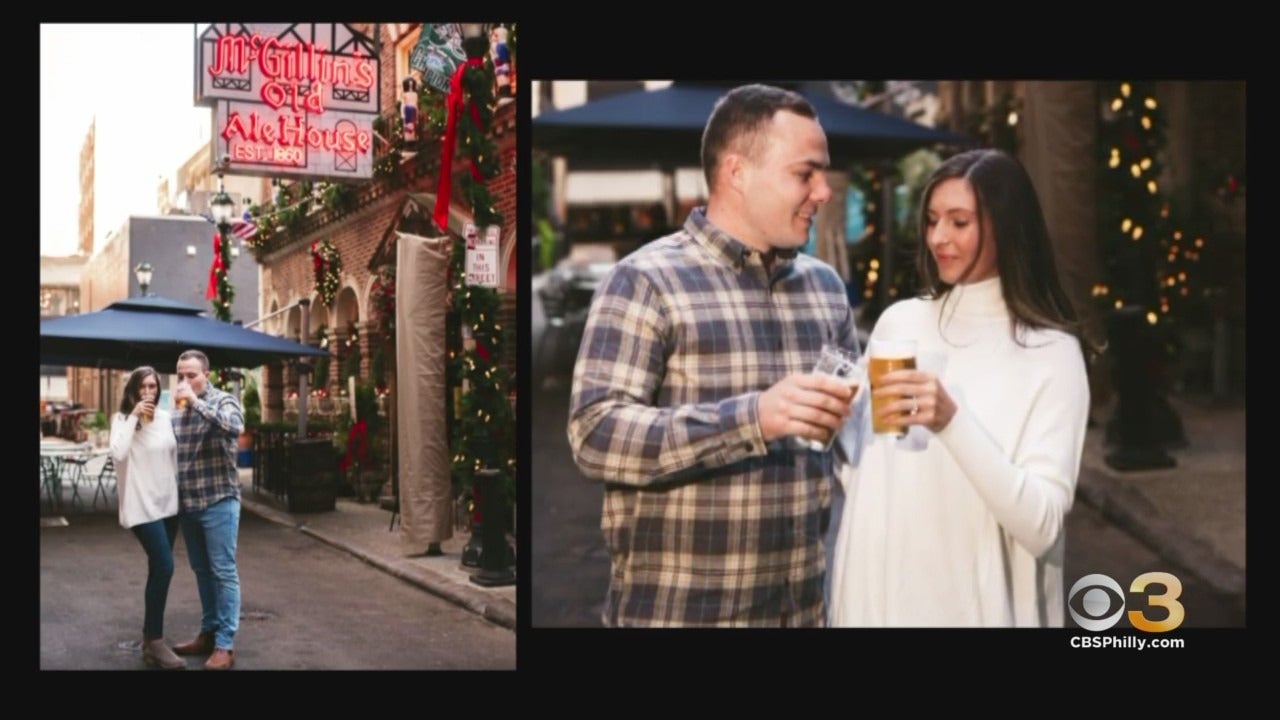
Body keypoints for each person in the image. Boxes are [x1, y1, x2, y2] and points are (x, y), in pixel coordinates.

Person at [567, 84, 859, 627]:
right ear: (737, 173)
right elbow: (594, 435)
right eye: (805, 173)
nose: (823, 191)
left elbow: (848, 442)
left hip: (805, 613)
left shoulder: (826, 288)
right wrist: (752, 418)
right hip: (681, 616)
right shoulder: (644, 280)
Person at [829, 148, 1090, 627]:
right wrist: (833, 422)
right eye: (932, 220)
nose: (938, 238)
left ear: (1007, 228)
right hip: (875, 603)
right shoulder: (900, 322)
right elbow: (866, 472)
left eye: (959, 221)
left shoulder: (1050, 354)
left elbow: (1043, 526)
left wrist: (951, 421)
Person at [169, 349, 244, 669]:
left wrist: (197, 403)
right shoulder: (177, 410)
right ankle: (209, 632)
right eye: (180, 375)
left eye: (191, 375)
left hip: (218, 502)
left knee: (223, 572)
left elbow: (235, 427)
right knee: (201, 572)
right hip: (188, 505)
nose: (184, 381)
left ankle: (225, 645)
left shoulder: (223, 401)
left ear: (206, 375)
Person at [109, 366, 184, 669]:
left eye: (154, 386)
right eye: (144, 387)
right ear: (134, 390)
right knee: (166, 566)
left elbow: (172, 458)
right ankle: (155, 640)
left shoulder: (165, 418)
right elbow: (117, 454)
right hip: (142, 507)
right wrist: (133, 419)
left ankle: (149, 641)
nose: (150, 392)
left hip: (168, 506)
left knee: (159, 569)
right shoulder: (122, 420)